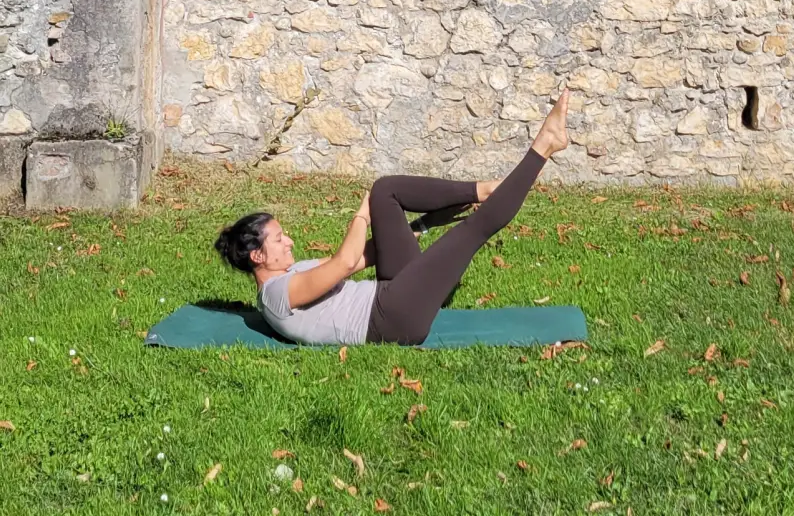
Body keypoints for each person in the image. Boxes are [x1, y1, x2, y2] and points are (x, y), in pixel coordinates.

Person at [214, 88, 570, 346]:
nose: (289, 241)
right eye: (279, 239)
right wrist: (361, 215)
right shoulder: (276, 295)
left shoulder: (292, 273)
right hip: (391, 318)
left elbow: (362, 259)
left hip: (389, 299)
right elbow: (345, 262)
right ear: (257, 256)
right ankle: (545, 145)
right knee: (473, 230)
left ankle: (483, 190)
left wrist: (419, 226)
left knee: (385, 190)